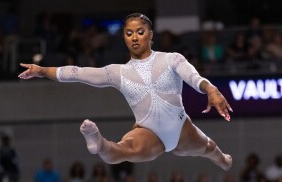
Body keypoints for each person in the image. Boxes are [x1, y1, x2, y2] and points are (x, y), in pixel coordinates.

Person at [19, 13, 233, 171]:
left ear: (150, 35)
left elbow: (193, 77)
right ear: (123, 37)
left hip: (181, 128)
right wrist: (42, 70)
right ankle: (97, 141)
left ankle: (224, 159)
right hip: (149, 131)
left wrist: (210, 89)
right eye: (129, 33)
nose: (134, 37)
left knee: (209, 148)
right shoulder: (117, 72)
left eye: (140, 32)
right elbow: (78, 73)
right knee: (121, 151)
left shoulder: (171, 59)